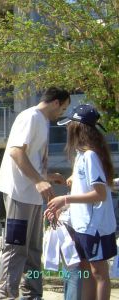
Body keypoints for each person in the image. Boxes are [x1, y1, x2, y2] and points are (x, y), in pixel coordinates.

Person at [0, 87, 70, 299]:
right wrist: (38, 180)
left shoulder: (42, 121)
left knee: (34, 250)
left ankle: (33, 294)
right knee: (16, 248)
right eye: (63, 108)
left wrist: (46, 176)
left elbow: (30, 157)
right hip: (19, 194)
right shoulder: (30, 116)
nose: (61, 113)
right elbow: (16, 151)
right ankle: (6, 295)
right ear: (55, 102)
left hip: (32, 196)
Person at [47, 104, 117, 300]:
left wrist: (65, 199)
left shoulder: (90, 156)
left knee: (99, 273)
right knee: (86, 270)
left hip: (95, 227)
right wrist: (61, 207)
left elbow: (100, 194)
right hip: (82, 226)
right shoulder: (81, 156)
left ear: (78, 128)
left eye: (70, 125)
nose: (67, 128)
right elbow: (86, 191)